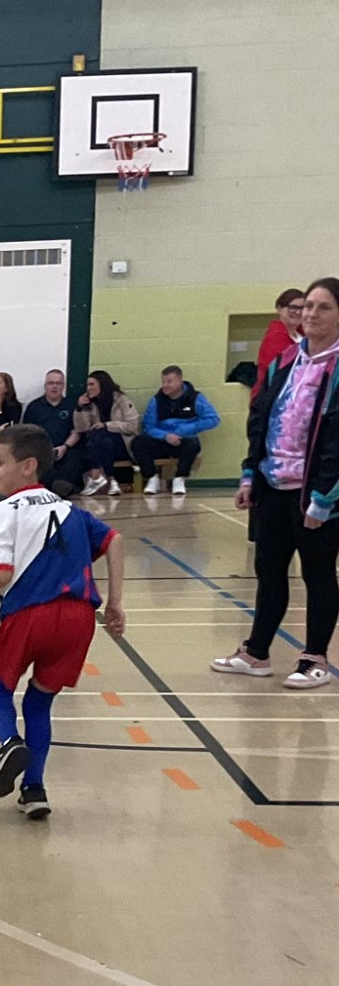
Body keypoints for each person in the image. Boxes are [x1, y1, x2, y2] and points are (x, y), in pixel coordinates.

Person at [0, 423, 125, 820]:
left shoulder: (2, 512)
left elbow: (1, 574)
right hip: (78, 619)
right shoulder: (72, 510)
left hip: (30, 614)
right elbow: (115, 541)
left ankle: (9, 744)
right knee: (39, 703)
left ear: (28, 466)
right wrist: (115, 604)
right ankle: (34, 790)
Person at [213, 277, 339, 690]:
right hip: (272, 485)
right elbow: (261, 418)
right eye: (307, 306)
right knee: (269, 570)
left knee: (318, 574)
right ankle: (257, 652)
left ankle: (314, 658)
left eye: (323, 307)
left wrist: (324, 499)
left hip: (316, 493)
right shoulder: (284, 361)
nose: (311, 314)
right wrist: (250, 472)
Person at [131, 366, 220, 494]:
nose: (165, 385)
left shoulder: (195, 398)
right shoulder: (156, 400)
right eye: (163, 382)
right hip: (162, 441)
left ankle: (179, 479)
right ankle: (152, 478)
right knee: (138, 442)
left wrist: (185, 430)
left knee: (193, 444)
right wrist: (166, 436)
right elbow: (148, 427)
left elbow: (213, 419)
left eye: (169, 381)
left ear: (180, 381)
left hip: (184, 440)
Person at [73, 371, 139, 497]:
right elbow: (82, 428)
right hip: (101, 445)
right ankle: (112, 480)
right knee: (102, 439)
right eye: (87, 385)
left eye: (92, 384)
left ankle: (96, 476)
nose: (88, 388)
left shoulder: (121, 400)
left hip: (123, 444)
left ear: (102, 384)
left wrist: (107, 425)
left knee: (99, 434)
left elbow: (132, 426)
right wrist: (79, 409)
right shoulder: (89, 403)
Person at [21, 369, 81, 492]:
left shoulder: (71, 405)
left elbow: (76, 431)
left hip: (64, 449)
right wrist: (44, 449)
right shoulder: (34, 407)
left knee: (75, 457)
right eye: (51, 383)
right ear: (45, 386)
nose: (54, 386)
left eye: (58, 383)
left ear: (63, 386)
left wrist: (64, 447)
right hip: (41, 450)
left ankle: (62, 486)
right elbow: (27, 433)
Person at [255, 290, 306, 403]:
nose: (298, 312)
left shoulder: (302, 334)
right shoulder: (275, 336)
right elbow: (279, 373)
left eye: (302, 308)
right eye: (293, 307)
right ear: (279, 308)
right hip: (275, 397)